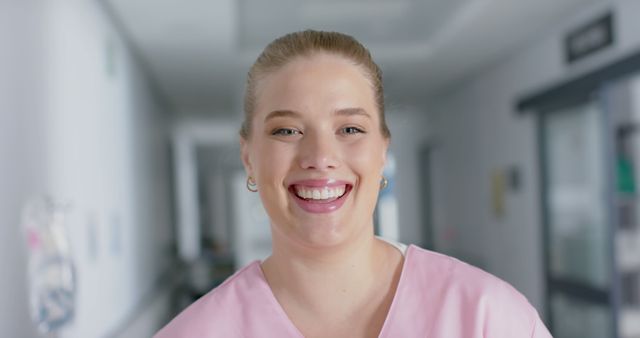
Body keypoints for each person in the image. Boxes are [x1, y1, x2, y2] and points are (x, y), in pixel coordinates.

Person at [154, 30, 552, 338]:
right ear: (248, 158)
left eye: (349, 127)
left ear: (382, 151)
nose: (319, 156)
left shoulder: (488, 318)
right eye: (287, 130)